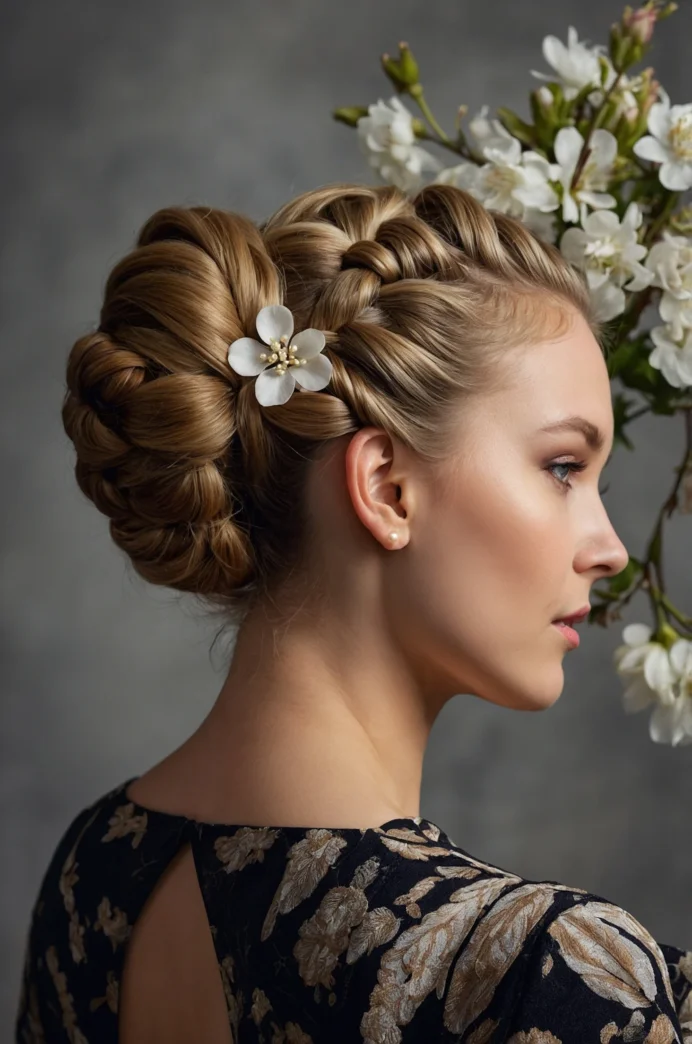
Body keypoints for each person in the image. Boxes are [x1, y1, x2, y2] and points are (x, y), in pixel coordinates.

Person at [15, 182, 692, 1043]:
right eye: (562, 467)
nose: (611, 549)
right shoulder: (545, 976)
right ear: (386, 488)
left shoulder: (94, 873)